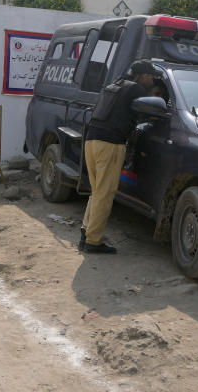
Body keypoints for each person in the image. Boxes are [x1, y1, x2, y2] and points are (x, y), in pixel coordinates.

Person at [79, 60, 157, 254]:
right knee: (105, 194)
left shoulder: (115, 84)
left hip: (91, 140)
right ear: (144, 75)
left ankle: (86, 233)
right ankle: (93, 241)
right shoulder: (136, 89)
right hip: (110, 144)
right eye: (152, 77)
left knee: (97, 191)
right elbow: (149, 111)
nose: (153, 80)